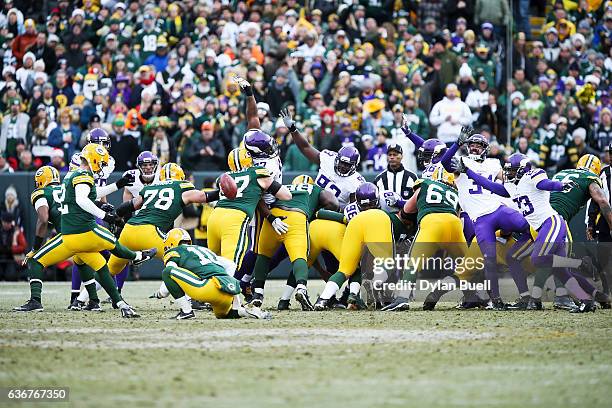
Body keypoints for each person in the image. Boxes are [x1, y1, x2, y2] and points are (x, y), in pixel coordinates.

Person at [14, 144, 155, 316]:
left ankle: (119, 304)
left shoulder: (72, 174)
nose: (102, 167)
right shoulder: (83, 175)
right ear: (94, 160)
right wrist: (105, 216)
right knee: (112, 242)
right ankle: (138, 256)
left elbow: (92, 194)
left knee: (99, 265)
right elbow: (83, 200)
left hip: (68, 237)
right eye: (101, 163)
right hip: (84, 230)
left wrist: (118, 184)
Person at [460, 153, 607, 313]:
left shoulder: (533, 175)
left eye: (513, 170)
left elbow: (546, 183)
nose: (508, 174)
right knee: (558, 269)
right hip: (541, 228)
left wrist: (559, 186)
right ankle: (587, 301)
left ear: (523, 170)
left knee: (538, 258)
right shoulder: (511, 186)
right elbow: (489, 185)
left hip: (551, 223)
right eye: (508, 170)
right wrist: (468, 172)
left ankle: (580, 264)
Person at [250, 174, 339, 310]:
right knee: (299, 257)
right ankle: (301, 289)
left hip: (273, 217)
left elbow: (261, 197)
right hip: (297, 216)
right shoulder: (314, 188)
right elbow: (333, 203)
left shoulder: (284, 187)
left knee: (263, 256)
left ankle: (257, 294)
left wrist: (271, 217)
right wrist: (316, 210)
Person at [161, 228, 271, 320]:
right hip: (228, 289)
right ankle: (244, 311)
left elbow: (170, 272)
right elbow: (230, 264)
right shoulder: (204, 250)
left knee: (167, 272)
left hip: (208, 289)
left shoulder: (174, 252)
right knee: (225, 315)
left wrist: (160, 293)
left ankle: (186, 311)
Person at [279, 108, 365, 210]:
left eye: (348, 165)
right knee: (303, 179)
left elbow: (352, 209)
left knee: (330, 199)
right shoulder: (329, 159)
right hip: (311, 202)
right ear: (337, 158)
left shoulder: (356, 182)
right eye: (342, 162)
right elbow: (305, 147)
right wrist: (292, 129)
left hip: (333, 213)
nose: (343, 166)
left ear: (354, 166)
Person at [0, 212, 26, 281]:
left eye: (8, 222)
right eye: (5, 222)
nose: (6, 224)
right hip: (2, 257)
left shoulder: (16, 232)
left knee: (11, 276)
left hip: (13, 259)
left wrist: (12, 249)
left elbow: (23, 246)